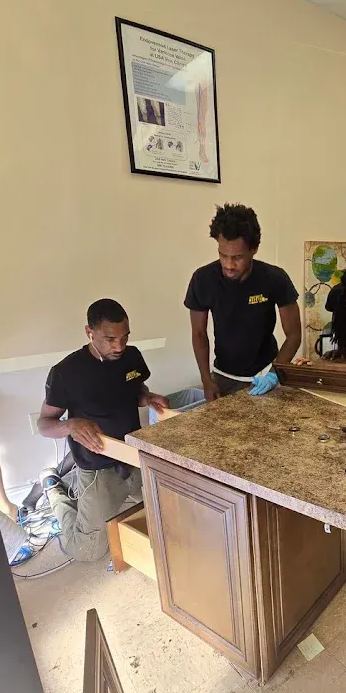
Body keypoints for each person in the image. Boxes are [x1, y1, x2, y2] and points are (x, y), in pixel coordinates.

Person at [36, 298, 169, 565]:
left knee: (171, 511)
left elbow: (136, 390)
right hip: (98, 467)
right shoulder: (66, 372)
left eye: (124, 337)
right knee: (87, 551)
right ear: (90, 332)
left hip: (133, 456)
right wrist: (71, 425)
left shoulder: (131, 356)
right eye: (110, 339)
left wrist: (148, 397)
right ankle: (54, 489)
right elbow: (44, 424)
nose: (118, 346)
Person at [185, 203, 302, 399]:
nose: (229, 265)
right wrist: (207, 380)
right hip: (223, 376)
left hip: (265, 373)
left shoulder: (275, 278)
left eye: (238, 257)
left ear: (254, 249)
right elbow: (198, 334)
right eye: (223, 255)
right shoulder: (203, 279)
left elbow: (294, 335)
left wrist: (274, 375)